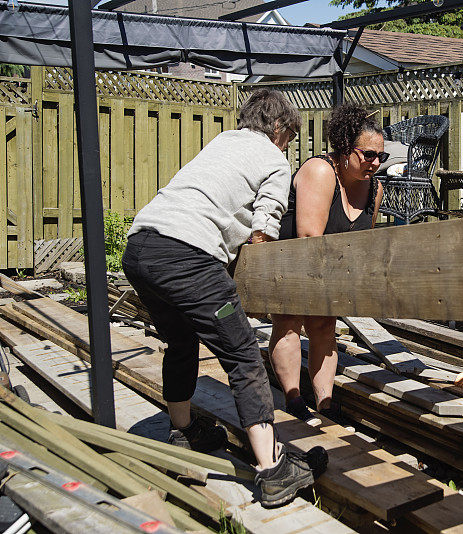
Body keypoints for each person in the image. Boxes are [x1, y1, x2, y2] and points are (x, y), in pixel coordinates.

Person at [121, 89, 327, 508]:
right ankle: (271, 470)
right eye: (288, 137)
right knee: (244, 355)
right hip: (187, 256)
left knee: (181, 342)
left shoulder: (221, 143)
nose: (287, 144)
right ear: (277, 129)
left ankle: (183, 432)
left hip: (140, 248)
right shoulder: (272, 158)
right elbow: (265, 223)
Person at [268, 103, 385, 424]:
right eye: (368, 154)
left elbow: (363, 241)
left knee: (324, 326)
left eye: (381, 157)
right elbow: (309, 236)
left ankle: (325, 403)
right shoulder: (320, 170)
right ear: (346, 150)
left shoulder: (375, 188)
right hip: (293, 258)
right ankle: (293, 398)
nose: (375, 163)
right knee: (289, 324)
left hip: (330, 267)